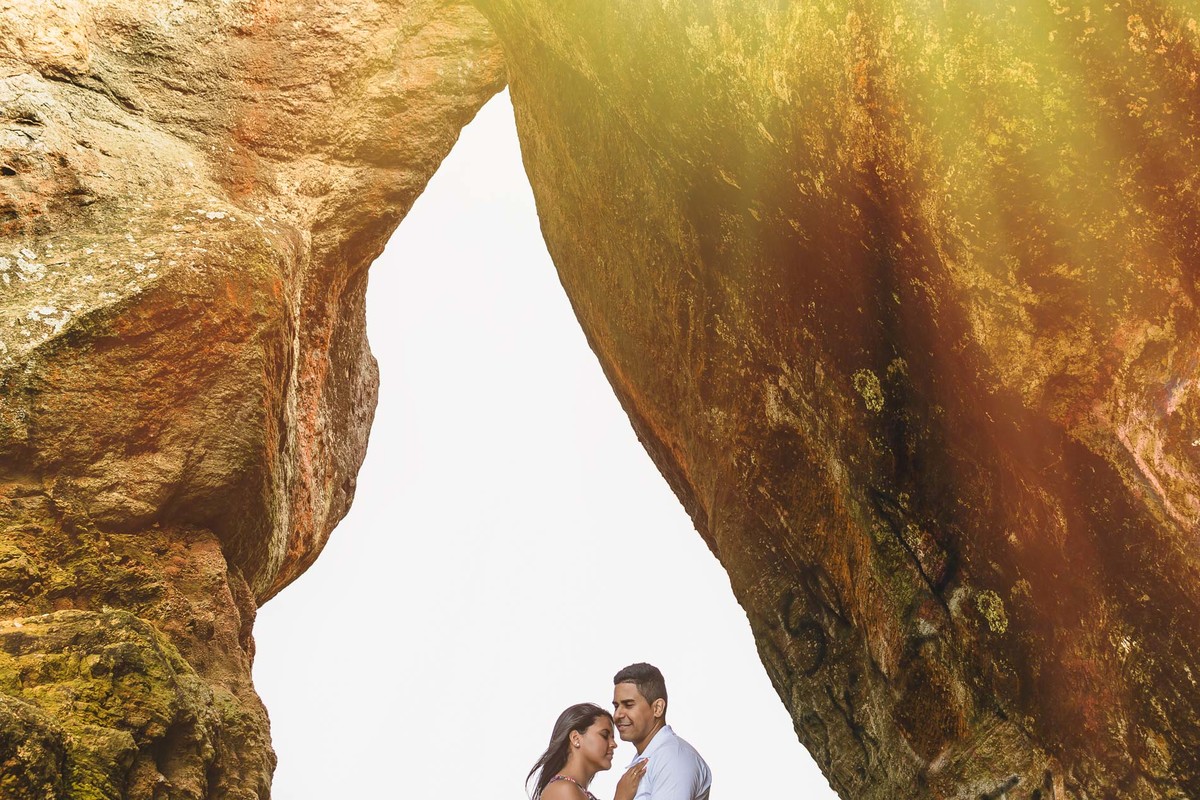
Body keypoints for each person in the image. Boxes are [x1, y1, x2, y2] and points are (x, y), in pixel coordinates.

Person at [612, 663, 711, 800]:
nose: (617, 715)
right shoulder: (653, 756)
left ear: (658, 708)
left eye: (628, 705)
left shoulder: (672, 758)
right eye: (616, 706)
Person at [528, 702, 649, 800]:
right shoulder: (562, 790)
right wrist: (622, 797)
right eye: (604, 735)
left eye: (613, 738)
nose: (613, 744)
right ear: (575, 738)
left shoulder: (574, 790)